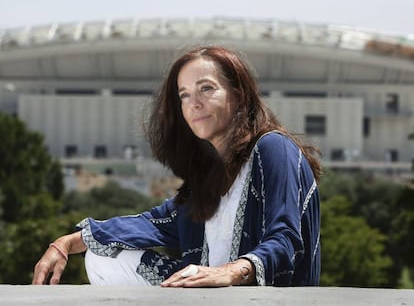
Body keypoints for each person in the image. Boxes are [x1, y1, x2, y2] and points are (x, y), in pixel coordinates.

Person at [32, 45, 322, 287]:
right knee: (101, 255)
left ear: (237, 95)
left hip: (263, 297)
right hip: (210, 293)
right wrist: (66, 243)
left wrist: (231, 271)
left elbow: (285, 239)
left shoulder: (273, 149)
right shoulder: (207, 178)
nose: (193, 103)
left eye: (205, 88)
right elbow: (152, 223)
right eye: (184, 95)